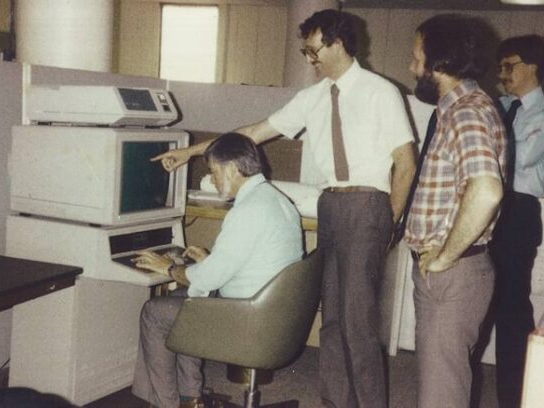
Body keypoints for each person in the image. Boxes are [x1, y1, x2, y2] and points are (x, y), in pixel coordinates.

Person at [153, 10, 415, 407]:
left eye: (313, 51)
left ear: (337, 43)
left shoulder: (381, 91)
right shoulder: (311, 99)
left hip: (368, 204)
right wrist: (190, 151)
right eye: (305, 52)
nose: (309, 60)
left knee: (358, 325)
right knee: (332, 322)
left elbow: (406, 162)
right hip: (331, 203)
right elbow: (252, 134)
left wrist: (389, 221)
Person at [131, 133, 303, 408]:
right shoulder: (276, 200)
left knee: (155, 312)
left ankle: (166, 404)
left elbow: (209, 279)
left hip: (249, 321)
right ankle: (191, 399)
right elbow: (250, 261)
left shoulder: (248, 210)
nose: (212, 180)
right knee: (187, 301)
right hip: (275, 316)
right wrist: (209, 261)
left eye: (213, 172)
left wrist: (171, 267)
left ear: (232, 169)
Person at [403, 15, 506, 408]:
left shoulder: (466, 112)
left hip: (455, 273)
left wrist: (446, 255)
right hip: (450, 272)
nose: (412, 67)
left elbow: (486, 189)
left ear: (440, 63)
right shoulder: (458, 109)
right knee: (440, 384)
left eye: (416, 58)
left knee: (441, 392)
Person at [489, 34, 544, 408]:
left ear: (533, 67)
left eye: (510, 66)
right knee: (474, 302)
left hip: (518, 211)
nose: (502, 73)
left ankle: (513, 399)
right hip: (484, 202)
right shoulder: (498, 106)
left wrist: (488, 142)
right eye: (501, 66)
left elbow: (521, 158)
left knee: (511, 307)